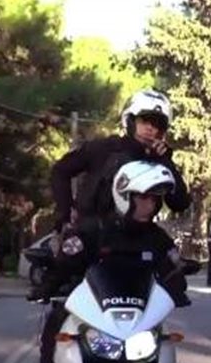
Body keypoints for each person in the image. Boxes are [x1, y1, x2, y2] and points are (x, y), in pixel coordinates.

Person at [19, 161, 191, 363]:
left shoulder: (158, 239)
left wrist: (178, 284)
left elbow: (173, 271)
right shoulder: (91, 231)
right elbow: (63, 264)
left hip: (138, 325)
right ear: (125, 196)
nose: (150, 205)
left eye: (155, 199)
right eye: (144, 197)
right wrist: (46, 286)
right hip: (84, 318)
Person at [31, 89, 192, 301]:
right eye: (145, 121)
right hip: (93, 233)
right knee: (59, 280)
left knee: (175, 279)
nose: (151, 129)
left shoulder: (159, 160)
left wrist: (166, 163)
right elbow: (61, 170)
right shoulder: (104, 148)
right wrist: (64, 211)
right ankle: (53, 311)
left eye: (158, 124)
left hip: (139, 235)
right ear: (130, 120)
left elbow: (180, 203)